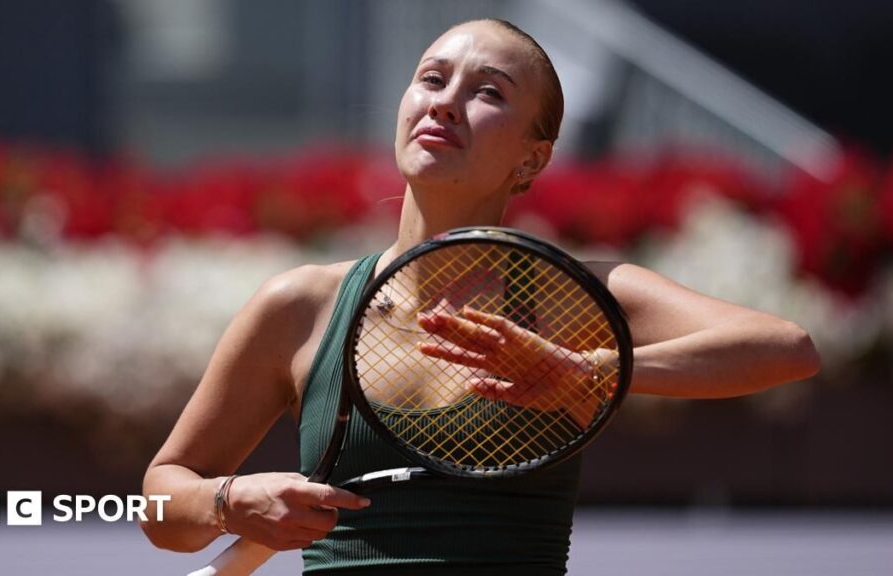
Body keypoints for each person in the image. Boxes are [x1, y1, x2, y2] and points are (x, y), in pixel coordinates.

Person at [141, 18, 820, 575]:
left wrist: (591, 375)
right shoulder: (299, 305)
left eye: (488, 92)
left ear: (533, 157)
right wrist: (228, 501)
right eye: (431, 80)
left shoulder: (576, 295)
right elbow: (161, 505)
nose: (444, 101)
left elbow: (786, 348)